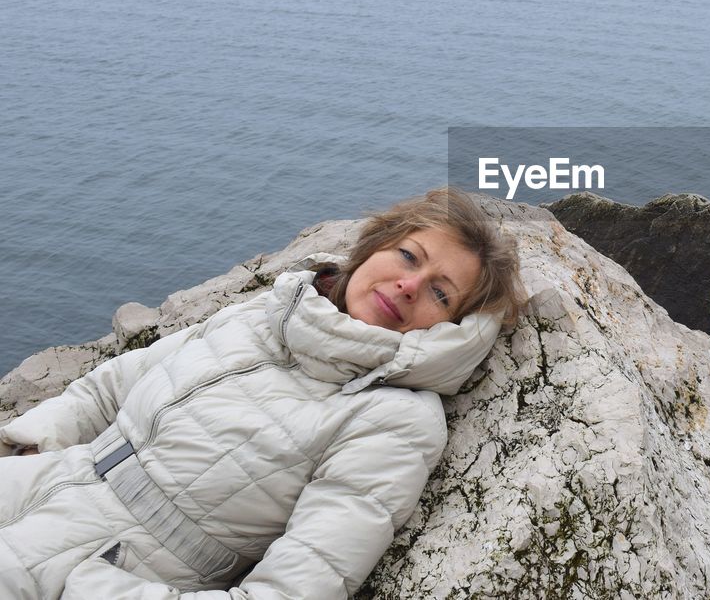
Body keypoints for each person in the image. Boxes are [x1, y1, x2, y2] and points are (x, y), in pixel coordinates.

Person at [0, 187, 523, 599]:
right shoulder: (268, 312)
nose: (411, 285)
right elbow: (110, 387)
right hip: (38, 483)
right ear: (372, 249)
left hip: (87, 568)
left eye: (440, 292)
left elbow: (297, 590)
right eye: (409, 256)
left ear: (450, 330)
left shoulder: (393, 419)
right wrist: (31, 439)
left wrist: (96, 591)